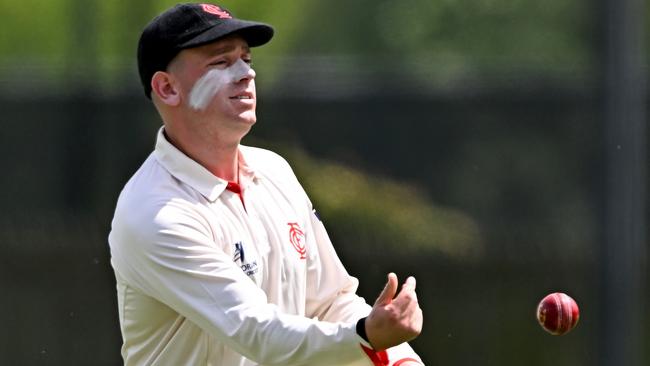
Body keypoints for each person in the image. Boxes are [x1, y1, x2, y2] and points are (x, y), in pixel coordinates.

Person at [108, 3, 424, 365]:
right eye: (221, 62)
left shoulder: (274, 171)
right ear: (167, 88)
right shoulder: (156, 213)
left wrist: (399, 358)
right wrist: (367, 336)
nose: (246, 74)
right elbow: (258, 333)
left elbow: (328, 302)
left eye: (247, 59)